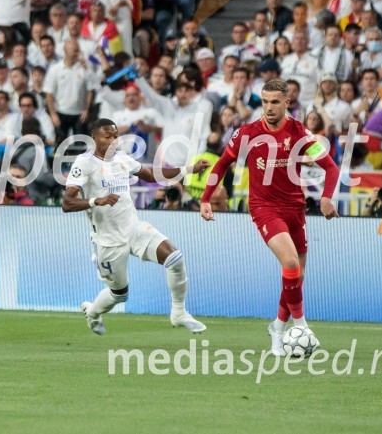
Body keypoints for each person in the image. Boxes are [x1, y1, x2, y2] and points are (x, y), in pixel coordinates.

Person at [199, 79, 340, 356]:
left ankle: (278, 328)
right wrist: (205, 198)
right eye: (264, 102)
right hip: (264, 207)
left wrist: (325, 197)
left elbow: (331, 167)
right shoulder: (247, 133)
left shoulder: (300, 133)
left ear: (287, 103)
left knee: (295, 277)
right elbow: (222, 163)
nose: (269, 107)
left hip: (295, 209)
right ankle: (301, 327)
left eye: (275, 102)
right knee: (289, 262)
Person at [63, 118, 210, 335]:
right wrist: (96, 201)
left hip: (133, 228)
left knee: (175, 257)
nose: (113, 140)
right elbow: (67, 203)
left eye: (115, 135)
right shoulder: (84, 163)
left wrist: (189, 169)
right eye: (107, 136)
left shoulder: (122, 158)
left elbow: (152, 175)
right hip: (108, 240)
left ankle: (179, 312)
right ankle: (93, 312)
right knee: (120, 294)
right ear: (94, 138)